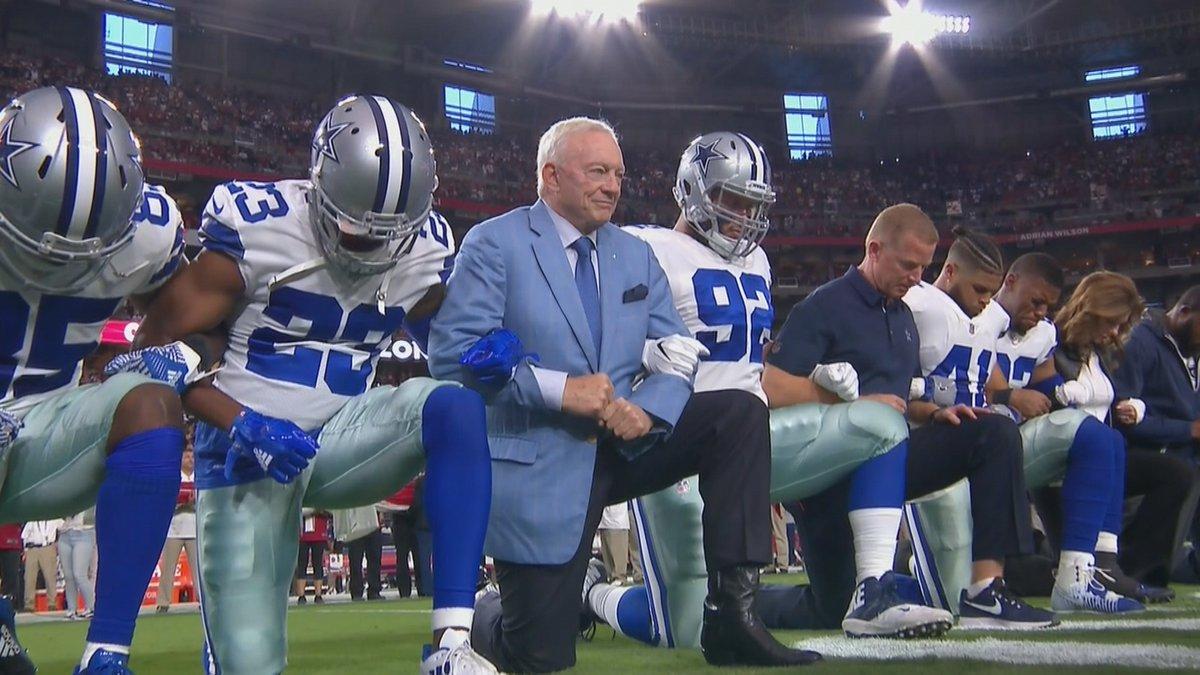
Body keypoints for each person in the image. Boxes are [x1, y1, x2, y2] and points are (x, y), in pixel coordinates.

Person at [111, 94, 495, 675]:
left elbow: (447, 334)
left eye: (390, 234)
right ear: (320, 189)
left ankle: (451, 646)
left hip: (345, 435)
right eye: (357, 230)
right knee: (250, 664)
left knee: (455, 408)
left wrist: (483, 347)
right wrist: (239, 421)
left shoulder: (424, 248)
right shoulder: (261, 227)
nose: (371, 246)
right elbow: (149, 356)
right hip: (244, 446)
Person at [430, 118, 818, 670]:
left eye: (617, 173)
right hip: (543, 452)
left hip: (623, 444)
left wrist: (651, 407)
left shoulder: (633, 254)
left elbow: (678, 349)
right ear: (550, 176)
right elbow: (452, 356)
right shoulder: (496, 242)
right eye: (596, 172)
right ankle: (488, 616)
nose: (612, 185)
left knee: (738, 410)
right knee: (540, 655)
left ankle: (732, 614)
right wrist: (561, 391)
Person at [581, 134, 948, 650]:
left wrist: (815, 387)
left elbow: (754, 368)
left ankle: (874, 586)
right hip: (674, 438)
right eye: (733, 199)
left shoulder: (757, 262)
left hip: (751, 437)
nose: (745, 215)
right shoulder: (643, 248)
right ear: (693, 190)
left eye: (754, 203)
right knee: (682, 629)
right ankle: (594, 594)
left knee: (882, 423)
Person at [754, 210, 1053, 631]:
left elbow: (901, 397)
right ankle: (743, 601)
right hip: (829, 473)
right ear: (874, 250)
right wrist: (854, 403)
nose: (917, 277)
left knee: (994, 432)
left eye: (924, 268)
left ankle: (987, 587)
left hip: (890, 460)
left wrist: (934, 412)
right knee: (832, 608)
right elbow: (774, 387)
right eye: (908, 265)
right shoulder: (824, 305)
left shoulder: (903, 317)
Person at [0, 86, 187, 674]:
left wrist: (176, 350)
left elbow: (197, 314)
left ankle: (106, 654)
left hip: (47, 431)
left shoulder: (148, 230)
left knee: (152, 403)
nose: (61, 264)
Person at [908, 249, 1144, 615]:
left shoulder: (1044, 333)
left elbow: (1046, 382)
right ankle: (906, 568)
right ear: (1010, 282)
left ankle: (1088, 569)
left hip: (1009, 442)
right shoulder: (969, 315)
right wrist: (1012, 395)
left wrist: (1060, 397)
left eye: (1048, 305)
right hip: (961, 440)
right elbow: (966, 380)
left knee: (1101, 437)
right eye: (1035, 302)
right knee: (950, 598)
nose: (1040, 313)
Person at [1111, 285, 1200, 584]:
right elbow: (1122, 416)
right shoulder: (1141, 341)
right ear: (1184, 312)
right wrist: (1188, 429)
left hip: (1183, 451)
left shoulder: (1188, 347)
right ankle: (1141, 569)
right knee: (1182, 473)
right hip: (1151, 457)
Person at [156, 442, 197, 613]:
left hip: (194, 527)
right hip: (174, 528)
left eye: (192, 456)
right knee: (168, 568)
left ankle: (203, 601)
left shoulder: (199, 477)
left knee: (198, 569)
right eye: (187, 456)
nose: (190, 459)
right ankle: (163, 602)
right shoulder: (174, 477)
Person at [59, 509, 96, 619]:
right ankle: (71, 610)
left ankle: (91, 607)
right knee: (68, 576)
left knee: (79, 574)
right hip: (65, 533)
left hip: (84, 533)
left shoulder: (89, 496)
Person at [21, 519, 61, 612]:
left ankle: (52, 603)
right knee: (29, 577)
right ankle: (29, 604)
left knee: (50, 577)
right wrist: (25, 551)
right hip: (32, 548)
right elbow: (24, 536)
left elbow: (64, 526)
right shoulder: (32, 520)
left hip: (48, 547)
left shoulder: (54, 519)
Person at [295, 509, 332, 604]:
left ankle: (318, 595)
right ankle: (301, 596)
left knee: (318, 564)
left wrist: (319, 511)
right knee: (302, 564)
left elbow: (329, 512)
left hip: (318, 533)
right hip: (302, 534)